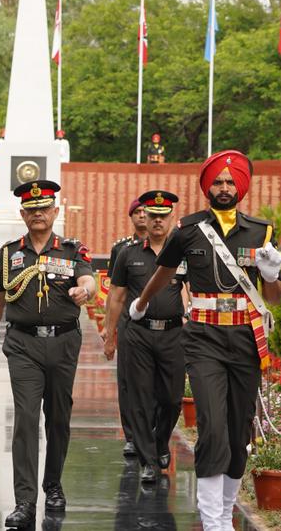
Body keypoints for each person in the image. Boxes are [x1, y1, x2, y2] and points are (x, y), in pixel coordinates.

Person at [132, 149, 281, 530]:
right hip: (203, 338)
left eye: (231, 181)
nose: (224, 187)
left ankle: (226, 511)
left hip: (245, 338)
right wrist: (142, 302)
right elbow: (163, 272)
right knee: (213, 425)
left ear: (241, 187)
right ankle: (213, 520)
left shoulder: (260, 231)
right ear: (207, 186)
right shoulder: (188, 229)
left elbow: (275, 298)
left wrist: (272, 274)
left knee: (238, 428)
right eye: (217, 181)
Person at [0, 180, 95, 528]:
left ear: (56, 212)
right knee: (26, 420)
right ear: (23, 214)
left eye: (45, 208)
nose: (38, 214)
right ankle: (25, 501)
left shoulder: (73, 251)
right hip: (22, 345)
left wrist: (83, 291)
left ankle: (53, 484)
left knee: (58, 417)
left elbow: (89, 281)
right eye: (32, 209)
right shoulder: (9, 253)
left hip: (63, 343)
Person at [104, 190, 186, 485]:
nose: (157, 222)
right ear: (145, 218)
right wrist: (109, 335)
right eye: (152, 216)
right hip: (138, 335)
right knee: (139, 398)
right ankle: (148, 461)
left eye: (163, 217)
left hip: (173, 333)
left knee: (172, 398)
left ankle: (160, 441)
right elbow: (116, 296)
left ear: (171, 218)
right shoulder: (128, 254)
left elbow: (191, 292)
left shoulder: (183, 253)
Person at [108, 198, 148, 457]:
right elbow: (114, 291)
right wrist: (109, 328)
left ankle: (152, 431)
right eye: (138, 212)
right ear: (131, 217)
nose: (143, 216)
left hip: (161, 322)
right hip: (129, 323)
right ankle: (132, 435)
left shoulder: (171, 246)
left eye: (146, 212)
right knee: (128, 381)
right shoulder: (122, 249)